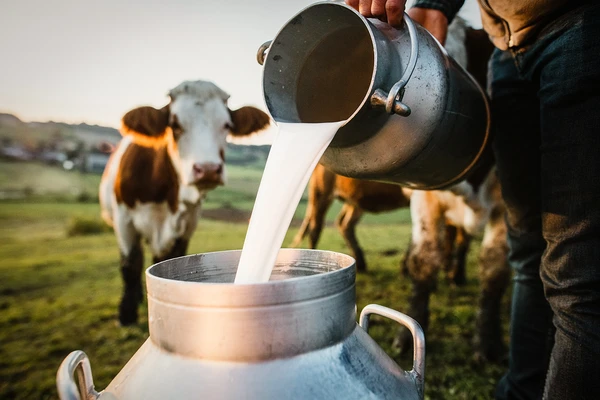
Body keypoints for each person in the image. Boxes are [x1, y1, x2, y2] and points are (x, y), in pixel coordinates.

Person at [345, 0, 600, 399]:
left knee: (576, 269)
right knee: (527, 249)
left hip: (577, 28)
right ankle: (520, 388)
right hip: (506, 52)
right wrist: (437, 5)